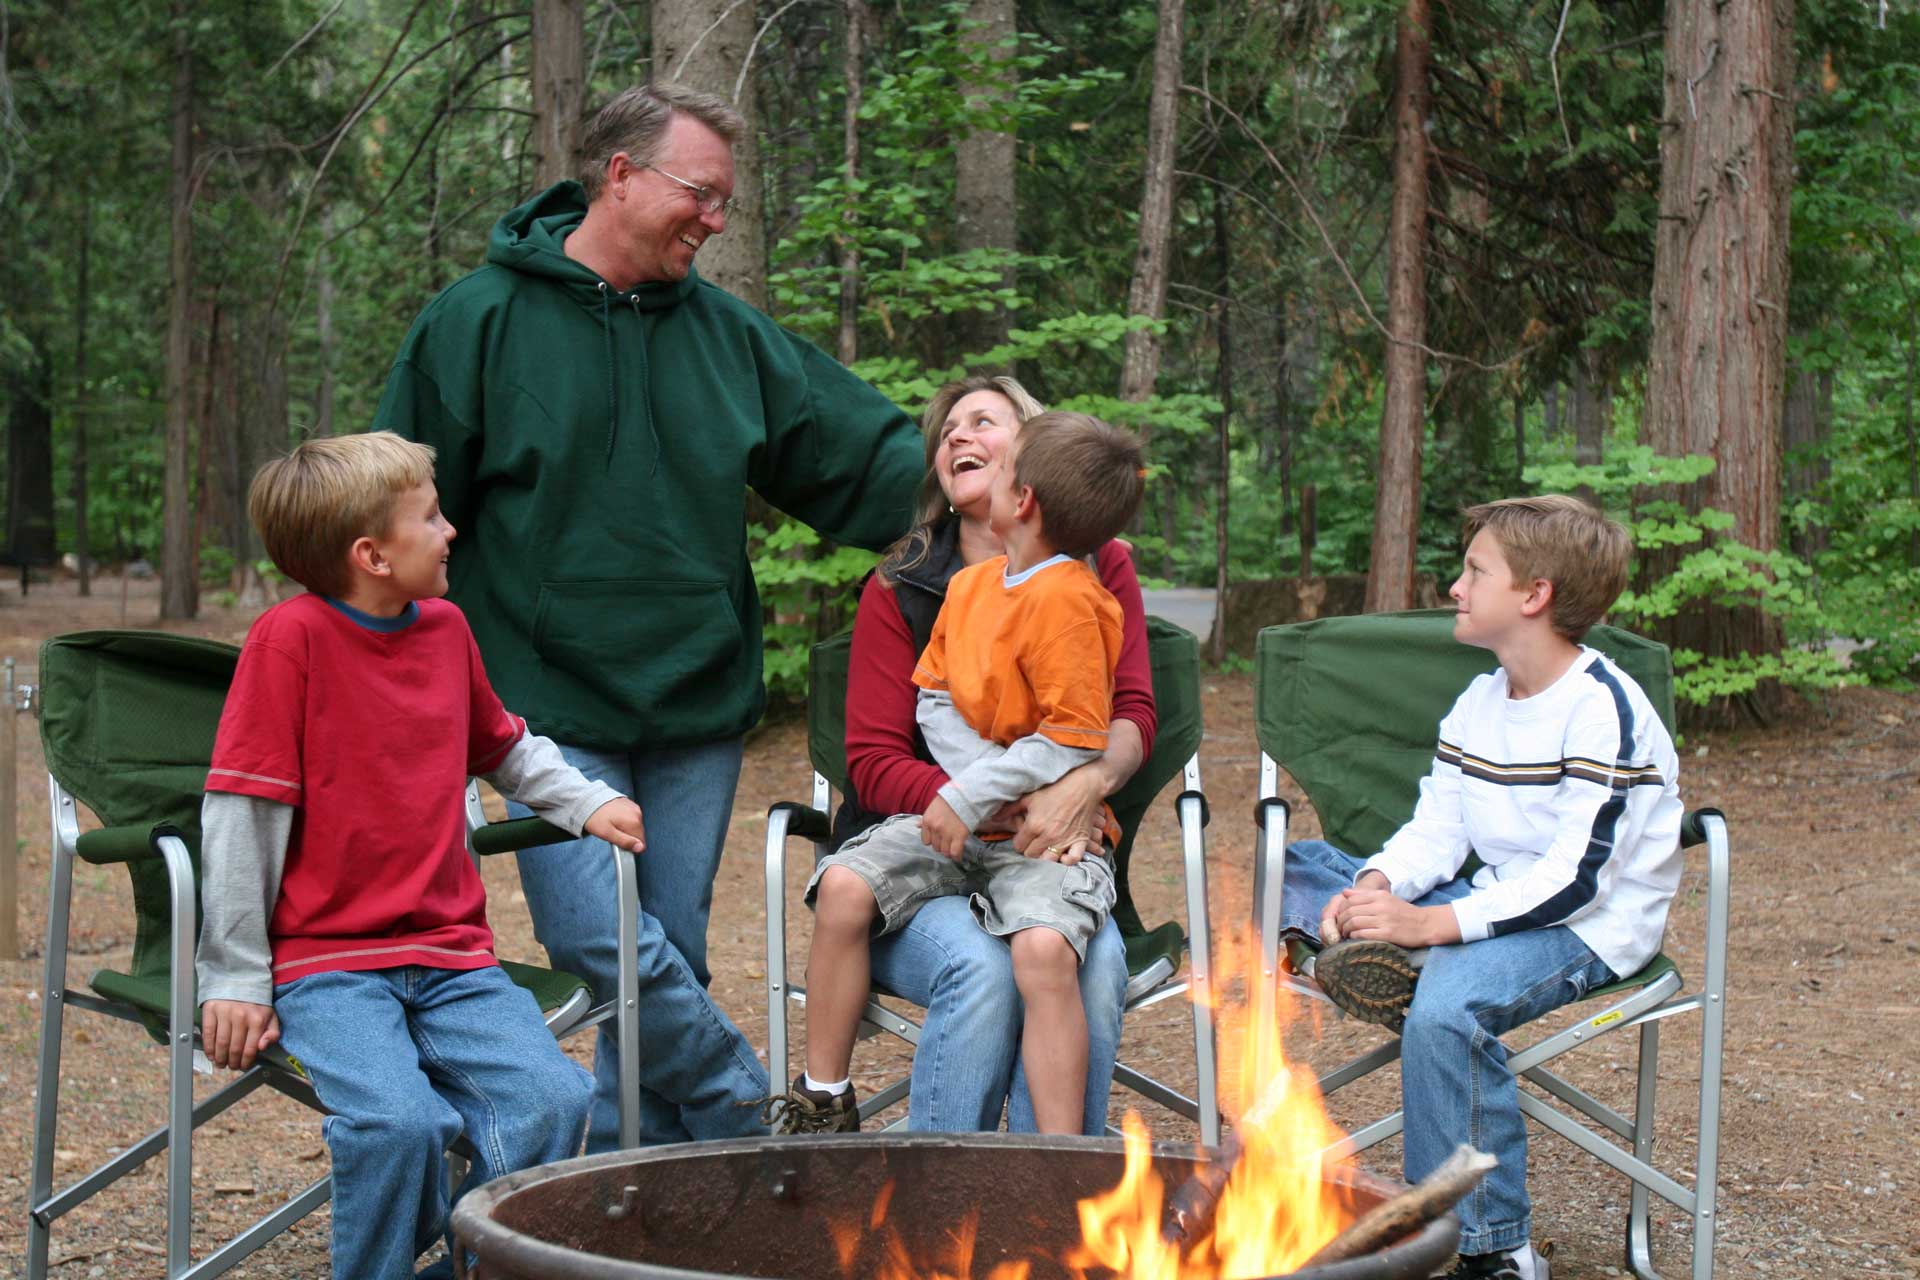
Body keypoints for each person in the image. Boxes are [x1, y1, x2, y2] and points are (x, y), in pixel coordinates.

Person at [373, 83, 923, 1150]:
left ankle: (644, 1206)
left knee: (667, 954)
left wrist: (1006, 497)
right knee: (605, 939)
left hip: (695, 702)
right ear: (618, 176)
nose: (715, 219)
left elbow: (862, 454)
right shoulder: (475, 323)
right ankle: (761, 1123)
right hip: (543, 703)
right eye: (699, 194)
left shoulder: (730, 337)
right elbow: (390, 506)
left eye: (725, 200)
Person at [194, 432, 651, 1280]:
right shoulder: (287, 643)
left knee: (553, 1100)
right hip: (326, 965)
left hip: (451, 957)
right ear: (371, 555)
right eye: (432, 518)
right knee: (400, 1125)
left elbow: (504, 748)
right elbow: (240, 817)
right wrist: (234, 975)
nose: (450, 532)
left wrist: (586, 801)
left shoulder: (444, 630)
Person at [1278, 495, 1683, 1280]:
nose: (1456, 587)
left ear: (1533, 597)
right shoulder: (1480, 700)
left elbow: (1576, 881)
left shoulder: (1606, 713)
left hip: (1587, 925)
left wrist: (1431, 928)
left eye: (1474, 571)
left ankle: (1490, 1249)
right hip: (1494, 895)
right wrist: (1378, 881)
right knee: (1300, 866)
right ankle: (1357, 932)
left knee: (1448, 1012)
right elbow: (1439, 827)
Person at [775, 412, 1145, 1136]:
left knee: (1052, 954)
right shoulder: (964, 588)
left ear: (1024, 495)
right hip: (959, 820)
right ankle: (823, 1100)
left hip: (1041, 840)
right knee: (845, 886)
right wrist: (975, 793)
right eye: (951, 427)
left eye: (988, 430)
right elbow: (932, 700)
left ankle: (1056, 1165)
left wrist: (988, 796)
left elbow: (1080, 732)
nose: (958, 439)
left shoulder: (1075, 599)